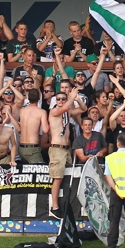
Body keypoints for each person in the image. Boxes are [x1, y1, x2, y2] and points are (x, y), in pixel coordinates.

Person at [47, 87, 80, 218]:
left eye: (63, 99)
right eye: (58, 99)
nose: (60, 101)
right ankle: (54, 207)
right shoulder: (54, 111)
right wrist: (71, 97)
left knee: (67, 177)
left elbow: (82, 110)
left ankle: (67, 204)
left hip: (67, 148)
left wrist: (77, 99)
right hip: (56, 148)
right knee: (57, 178)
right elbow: (64, 108)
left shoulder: (68, 113)